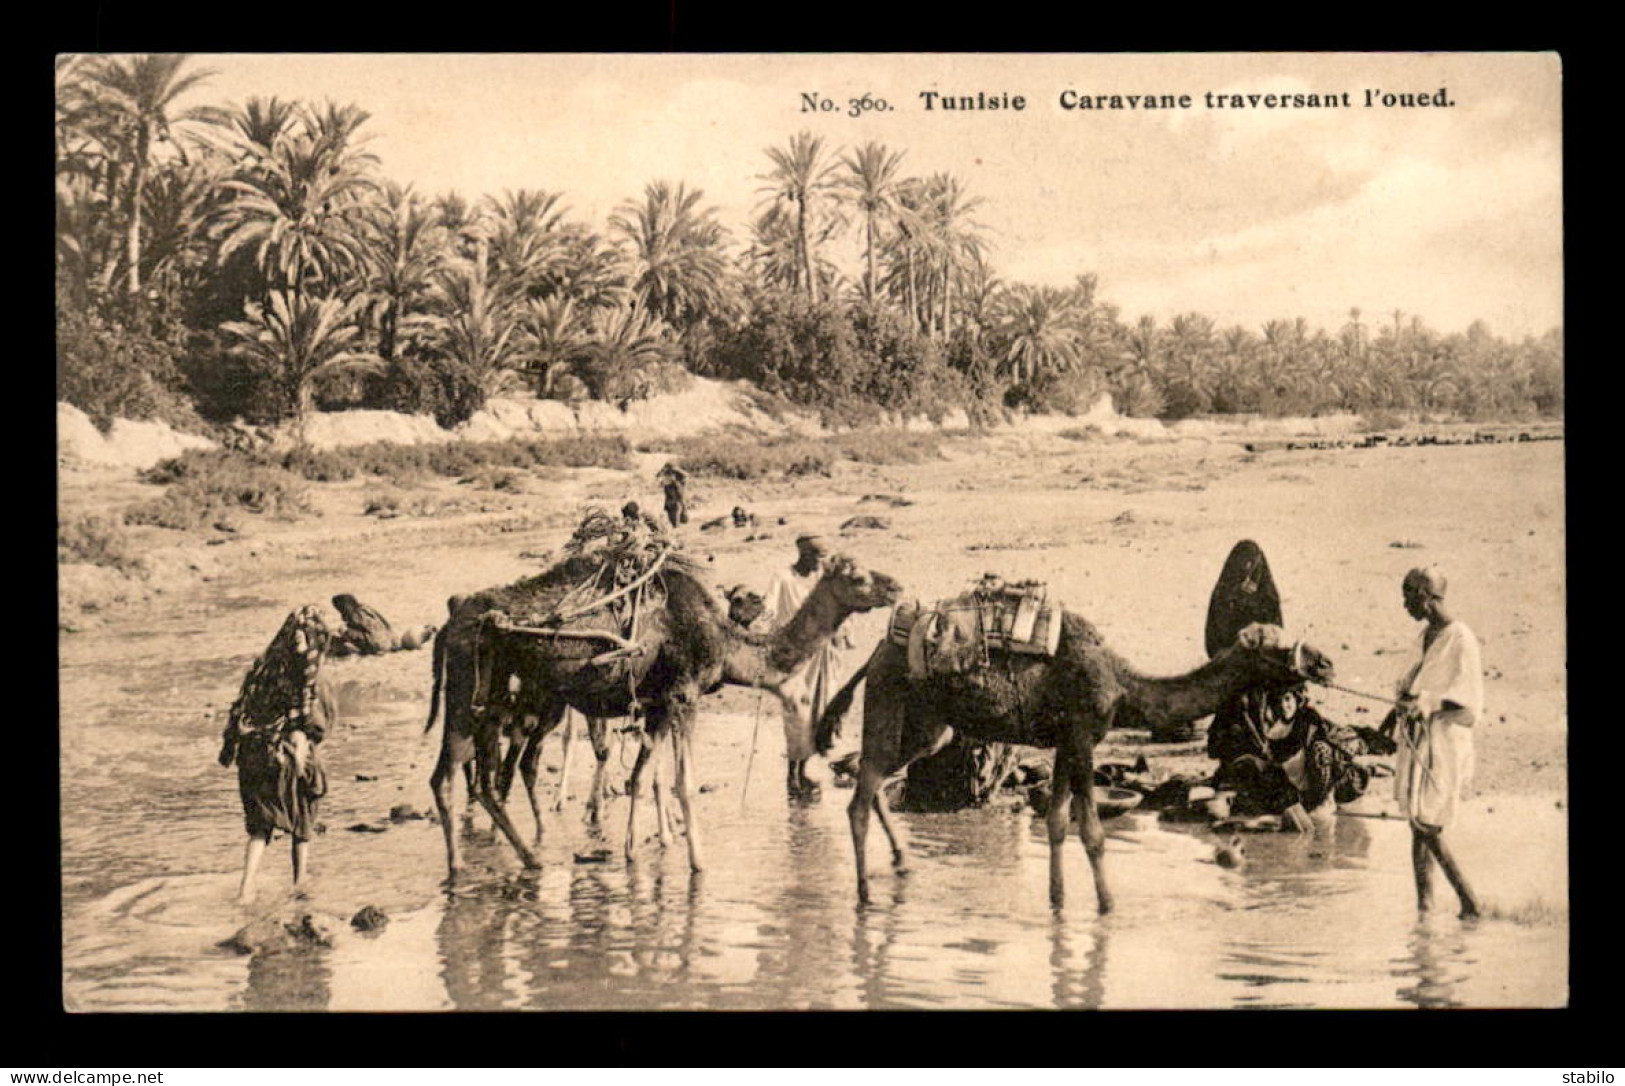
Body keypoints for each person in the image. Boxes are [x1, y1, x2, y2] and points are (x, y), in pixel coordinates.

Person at [1380, 566, 1482, 918]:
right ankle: (1425, 906)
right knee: (1417, 823)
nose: (1404, 603)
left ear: (1428, 596)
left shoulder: (1461, 639)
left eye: (1409, 595)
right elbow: (1408, 690)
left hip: (1444, 742)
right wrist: (1385, 728)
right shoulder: (1424, 637)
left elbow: (1468, 702)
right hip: (1416, 740)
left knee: (1428, 824)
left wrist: (1427, 703)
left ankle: (1470, 902)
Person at [219, 605, 336, 904]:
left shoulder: (263, 667)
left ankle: (246, 886)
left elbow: (239, 710)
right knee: (305, 813)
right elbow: (315, 725)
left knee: (260, 827)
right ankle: (299, 883)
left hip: (251, 756)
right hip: (281, 756)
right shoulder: (309, 676)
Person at [763, 534, 852, 799]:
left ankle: (804, 771)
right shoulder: (783, 578)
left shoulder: (821, 580)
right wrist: (772, 636)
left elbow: (840, 606)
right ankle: (792, 776)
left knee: (819, 713)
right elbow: (767, 610)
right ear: (803, 554)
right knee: (796, 715)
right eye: (817, 556)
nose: (821, 562)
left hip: (823, 655)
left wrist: (843, 632)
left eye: (824, 557)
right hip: (795, 657)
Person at [1209, 683, 1372, 822]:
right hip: (1297, 785)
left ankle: (1323, 803)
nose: (1283, 705)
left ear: (1297, 699)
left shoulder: (1312, 721)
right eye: (1278, 700)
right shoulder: (1274, 729)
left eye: (1287, 699)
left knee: (1320, 751)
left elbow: (1351, 743)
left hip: (1333, 784)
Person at [656, 462, 689, 528]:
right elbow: (658, 476)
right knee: (670, 509)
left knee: (678, 507)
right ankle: (676, 523)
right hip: (670, 494)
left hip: (677, 493)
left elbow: (685, 476)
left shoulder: (677, 475)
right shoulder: (665, 474)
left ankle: (680, 522)